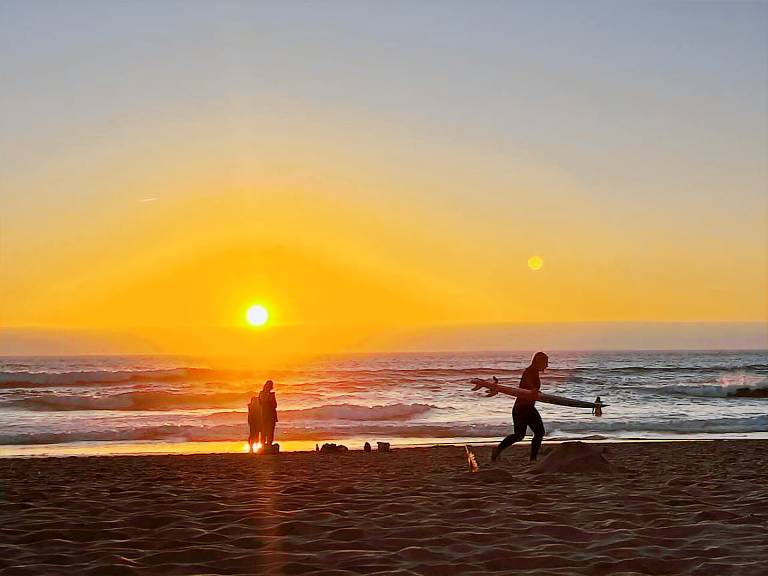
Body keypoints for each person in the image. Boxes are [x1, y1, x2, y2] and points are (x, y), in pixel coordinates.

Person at [490, 351, 549, 462]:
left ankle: (531, 458)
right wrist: (533, 389)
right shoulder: (529, 371)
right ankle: (531, 459)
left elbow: (531, 387)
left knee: (529, 434)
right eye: (545, 362)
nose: (547, 365)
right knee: (524, 434)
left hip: (527, 408)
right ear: (539, 362)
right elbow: (528, 382)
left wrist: (535, 391)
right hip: (522, 408)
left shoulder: (534, 372)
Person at [258, 380, 278, 446]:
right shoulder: (271, 395)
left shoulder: (261, 394)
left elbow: (260, 403)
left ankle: (263, 444)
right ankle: (269, 444)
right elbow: (275, 405)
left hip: (264, 414)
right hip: (271, 414)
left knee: (264, 430)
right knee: (270, 430)